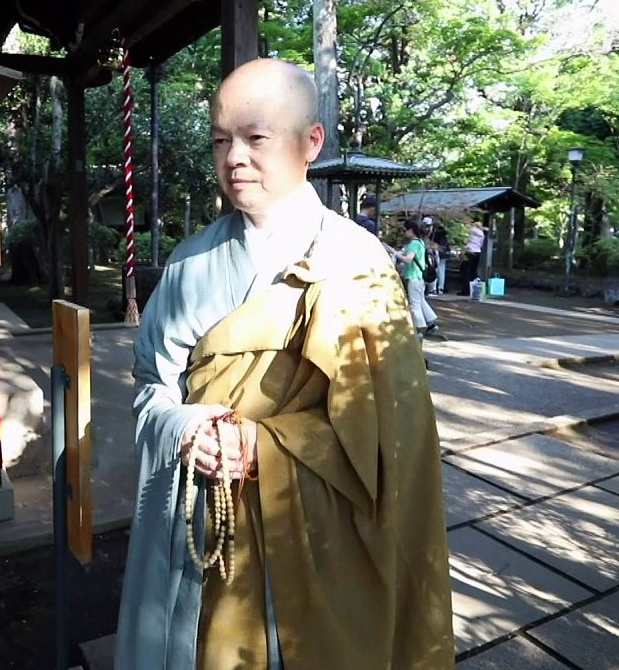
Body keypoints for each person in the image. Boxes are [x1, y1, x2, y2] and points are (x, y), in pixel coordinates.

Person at [115, 58, 454, 669]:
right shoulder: (190, 262)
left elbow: (390, 433)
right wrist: (185, 428)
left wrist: (263, 446)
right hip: (206, 524)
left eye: (256, 138)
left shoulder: (359, 263)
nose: (234, 158)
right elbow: (150, 388)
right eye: (221, 140)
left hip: (324, 539)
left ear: (311, 143)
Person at [397, 218, 444, 339]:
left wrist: (394, 252)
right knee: (420, 300)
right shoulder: (421, 242)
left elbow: (408, 259)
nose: (404, 232)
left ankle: (420, 328)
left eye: (405, 230)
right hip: (420, 277)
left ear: (411, 230)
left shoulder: (413, 244)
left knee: (415, 305)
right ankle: (431, 323)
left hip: (413, 277)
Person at [458, 215, 486, 296]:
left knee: (465, 271)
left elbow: (465, 241)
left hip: (469, 251)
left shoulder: (470, 230)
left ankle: (465, 290)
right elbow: (481, 244)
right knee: (473, 271)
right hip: (477, 252)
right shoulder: (481, 232)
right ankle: (474, 290)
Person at [427, 216, 451, 295]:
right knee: (442, 269)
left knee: (436, 269)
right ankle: (441, 288)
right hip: (444, 251)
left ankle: (434, 288)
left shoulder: (435, 231)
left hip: (437, 251)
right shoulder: (444, 230)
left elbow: (431, 241)